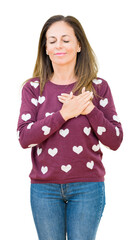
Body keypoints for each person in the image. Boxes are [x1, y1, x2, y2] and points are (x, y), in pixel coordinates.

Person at [17, 15, 123, 240]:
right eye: (52, 40)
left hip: (88, 187)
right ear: (45, 49)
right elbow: (25, 137)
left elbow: (115, 140)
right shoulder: (33, 88)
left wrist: (90, 111)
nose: (59, 46)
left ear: (78, 45)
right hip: (44, 189)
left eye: (65, 39)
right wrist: (65, 114)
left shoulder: (97, 87)